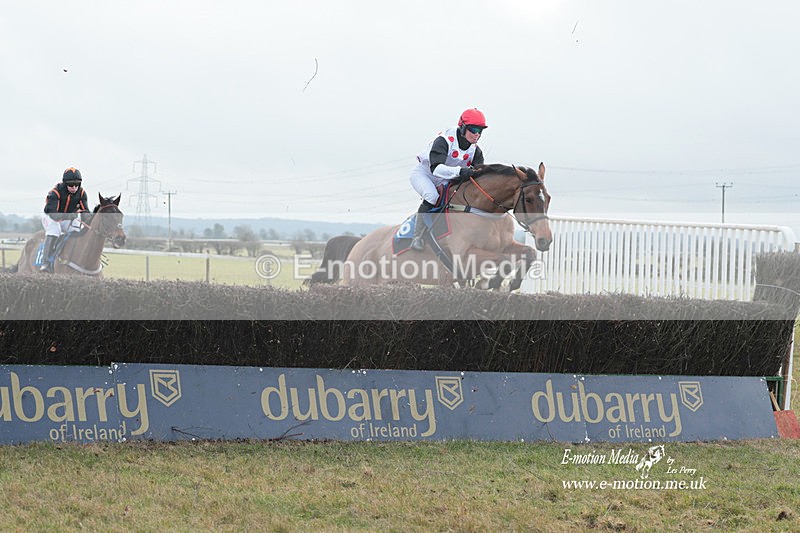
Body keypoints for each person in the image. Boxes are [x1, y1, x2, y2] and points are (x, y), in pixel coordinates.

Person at [409, 108, 487, 251]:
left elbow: (478, 175)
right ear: (462, 127)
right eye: (473, 129)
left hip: (445, 179)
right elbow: (436, 169)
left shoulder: (476, 151)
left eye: (480, 130)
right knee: (432, 196)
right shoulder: (444, 140)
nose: (477, 134)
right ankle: (417, 236)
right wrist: (460, 171)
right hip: (425, 174)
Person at [39, 167, 90, 272]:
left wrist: (90, 220)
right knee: (55, 230)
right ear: (65, 183)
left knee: (77, 230)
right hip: (50, 217)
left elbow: (85, 212)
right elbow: (53, 214)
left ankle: (75, 258)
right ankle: (46, 263)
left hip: (67, 218)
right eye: (71, 185)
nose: (74, 187)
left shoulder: (81, 193)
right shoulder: (55, 192)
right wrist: (69, 216)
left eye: (77, 184)